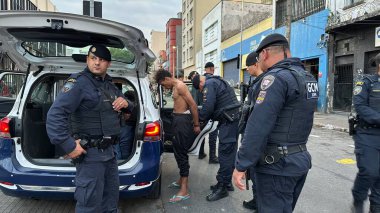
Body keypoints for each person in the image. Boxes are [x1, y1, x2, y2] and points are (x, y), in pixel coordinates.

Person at [232, 33, 318, 212]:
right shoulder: (307, 77)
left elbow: (258, 126)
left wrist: (241, 164)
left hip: (276, 166)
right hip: (298, 160)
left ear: (264, 54)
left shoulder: (275, 79)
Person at [46, 44, 133, 212]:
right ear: (87, 60)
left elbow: (130, 105)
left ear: (109, 64)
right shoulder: (78, 83)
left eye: (101, 60)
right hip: (90, 155)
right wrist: (69, 145)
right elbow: (55, 115)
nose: (97, 63)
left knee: (111, 200)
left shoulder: (108, 84)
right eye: (93, 59)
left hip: (109, 154)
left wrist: (126, 102)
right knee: (89, 204)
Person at [191, 72, 240, 201]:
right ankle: (226, 183)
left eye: (201, 90)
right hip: (232, 120)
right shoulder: (216, 81)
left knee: (224, 153)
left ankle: (222, 188)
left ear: (201, 84)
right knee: (229, 153)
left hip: (229, 121)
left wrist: (198, 121)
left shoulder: (209, 84)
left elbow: (208, 107)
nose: (202, 92)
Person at [155, 69, 201, 203]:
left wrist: (196, 124)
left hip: (182, 122)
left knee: (180, 153)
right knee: (177, 151)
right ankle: (181, 180)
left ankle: (184, 190)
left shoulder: (180, 86)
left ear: (166, 79)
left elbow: (193, 105)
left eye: (163, 84)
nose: (164, 87)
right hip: (177, 120)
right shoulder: (175, 86)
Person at [351, 53, 380, 213]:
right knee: (369, 171)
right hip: (367, 135)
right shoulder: (366, 82)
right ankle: (358, 200)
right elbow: (360, 107)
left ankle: (376, 207)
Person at [238, 51, 265, 211]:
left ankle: (260, 203)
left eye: (248, 66)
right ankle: (256, 200)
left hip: (256, 137)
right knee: (253, 173)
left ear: (256, 64)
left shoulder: (264, 83)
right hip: (249, 132)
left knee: (258, 174)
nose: (247, 69)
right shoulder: (256, 82)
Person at [197, 62, 219, 164]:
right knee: (212, 136)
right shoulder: (213, 81)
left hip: (201, 112)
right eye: (213, 68)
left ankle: (200, 153)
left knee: (202, 133)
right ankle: (212, 157)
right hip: (212, 112)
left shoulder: (199, 81)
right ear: (211, 68)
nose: (214, 70)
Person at [117, 90, 137, 160]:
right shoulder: (135, 106)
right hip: (128, 127)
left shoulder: (126, 106)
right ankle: (123, 161)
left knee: (121, 147)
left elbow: (126, 117)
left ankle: (121, 161)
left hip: (126, 126)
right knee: (124, 147)